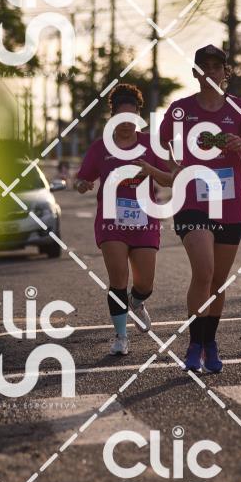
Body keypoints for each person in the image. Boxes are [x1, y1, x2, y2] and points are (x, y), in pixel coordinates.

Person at [159, 45, 241, 374]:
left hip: (227, 203)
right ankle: (194, 344)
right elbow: (161, 142)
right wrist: (173, 166)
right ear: (195, 73)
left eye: (216, 66)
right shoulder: (181, 110)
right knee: (204, 271)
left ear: (225, 72)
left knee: (218, 281)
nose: (210, 72)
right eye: (203, 66)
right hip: (192, 200)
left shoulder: (239, 108)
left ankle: (210, 342)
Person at [74, 84, 170, 356]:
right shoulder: (100, 147)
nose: (127, 124)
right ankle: (121, 336)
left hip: (144, 220)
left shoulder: (150, 144)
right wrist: (83, 184)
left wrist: (149, 169)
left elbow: (170, 178)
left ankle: (136, 302)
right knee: (118, 278)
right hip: (111, 221)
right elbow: (82, 179)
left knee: (145, 284)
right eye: (121, 118)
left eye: (132, 118)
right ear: (113, 116)